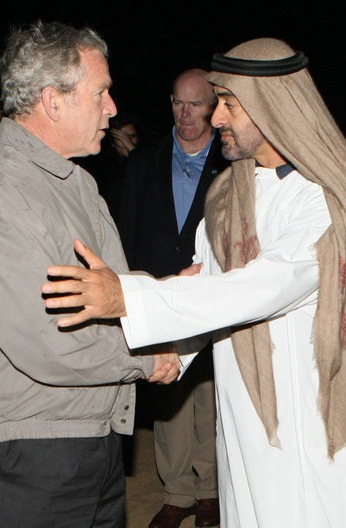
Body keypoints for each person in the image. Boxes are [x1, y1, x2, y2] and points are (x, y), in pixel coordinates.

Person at [41, 38, 346, 528]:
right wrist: (172, 355)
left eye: (229, 106)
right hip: (244, 420)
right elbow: (207, 284)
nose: (215, 119)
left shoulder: (328, 202)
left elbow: (261, 287)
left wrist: (127, 296)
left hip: (315, 425)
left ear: (271, 107)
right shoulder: (226, 197)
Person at [0, 20, 178, 528]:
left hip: (88, 432)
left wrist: (172, 298)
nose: (112, 108)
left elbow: (112, 296)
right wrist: (146, 358)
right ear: (53, 100)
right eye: (101, 92)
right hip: (27, 449)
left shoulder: (76, 184)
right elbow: (48, 343)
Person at [118, 68, 227, 528]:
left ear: (212, 106)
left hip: (213, 294)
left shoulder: (233, 160)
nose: (186, 114)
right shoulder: (146, 159)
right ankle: (178, 492)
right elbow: (126, 228)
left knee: (210, 393)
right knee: (168, 394)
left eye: (196, 104)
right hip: (161, 294)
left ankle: (210, 492)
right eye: (178, 104)